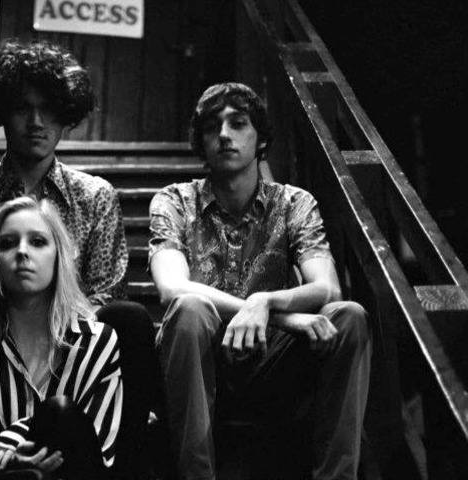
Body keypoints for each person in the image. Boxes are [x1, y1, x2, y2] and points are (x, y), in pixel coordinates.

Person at [0, 40, 156, 478]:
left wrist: (48, 339)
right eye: (23, 108)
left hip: (71, 354)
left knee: (129, 319)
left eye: (49, 110)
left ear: (67, 115)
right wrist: (2, 346)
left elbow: (104, 294)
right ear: (2, 113)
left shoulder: (94, 196)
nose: (36, 122)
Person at [149, 83, 372, 480]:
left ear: (261, 138)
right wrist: (282, 316)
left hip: (273, 361)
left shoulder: (293, 202)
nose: (224, 135)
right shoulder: (174, 200)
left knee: (349, 316)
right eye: (212, 127)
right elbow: (171, 287)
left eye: (238, 124)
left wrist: (265, 302)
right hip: (200, 359)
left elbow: (327, 287)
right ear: (201, 141)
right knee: (189, 308)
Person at [0, 196, 123, 480]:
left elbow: (94, 442)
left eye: (38, 241)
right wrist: (19, 463)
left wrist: (12, 436)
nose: (22, 252)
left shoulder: (98, 342)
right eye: (7, 244)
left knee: (61, 411)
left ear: (59, 255)